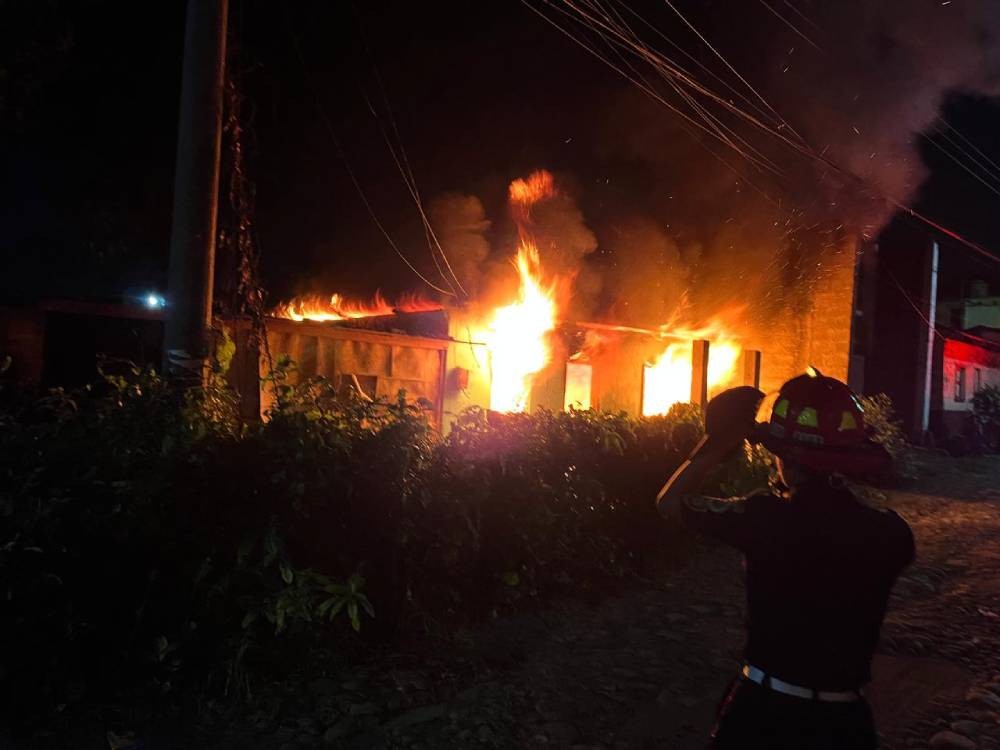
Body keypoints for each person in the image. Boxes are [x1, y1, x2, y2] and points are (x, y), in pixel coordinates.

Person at [656, 370, 914, 749]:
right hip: (845, 725)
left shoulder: (763, 519)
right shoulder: (892, 536)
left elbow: (669, 503)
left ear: (784, 459)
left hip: (761, 715)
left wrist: (716, 444)